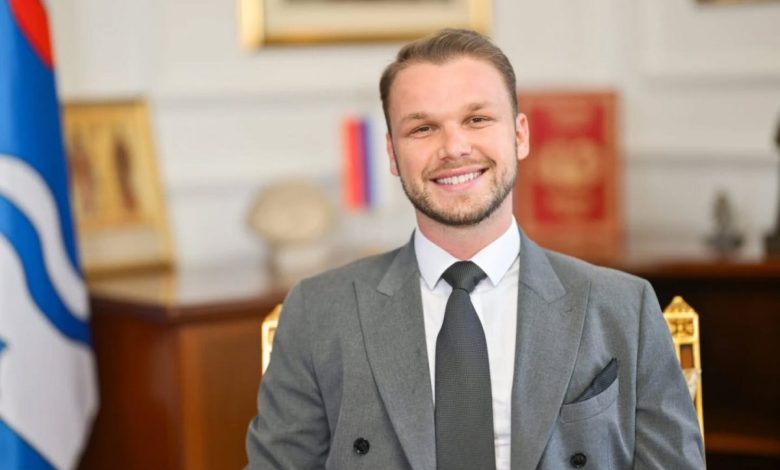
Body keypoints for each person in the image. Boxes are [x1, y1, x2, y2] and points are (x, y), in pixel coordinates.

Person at [245, 29, 704, 470]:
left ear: (520, 135)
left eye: (477, 119)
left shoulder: (623, 309)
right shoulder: (318, 314)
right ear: (392, 154)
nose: (454, 147)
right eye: (423, 128)